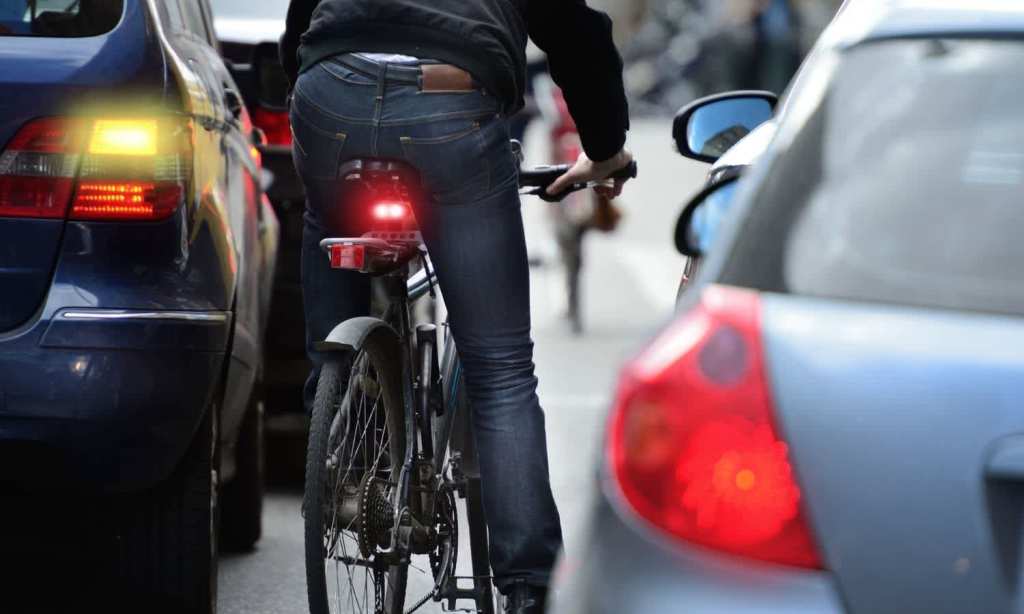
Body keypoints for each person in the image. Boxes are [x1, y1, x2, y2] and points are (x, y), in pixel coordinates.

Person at [280, 1, 634, 612]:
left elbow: (300, 21)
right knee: (500, 370)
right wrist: (604, 150)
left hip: (331, 90)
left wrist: (316, 81)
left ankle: (339, 428)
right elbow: (578, 35)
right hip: (450, 103)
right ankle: (527, 586)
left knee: (326, 221)